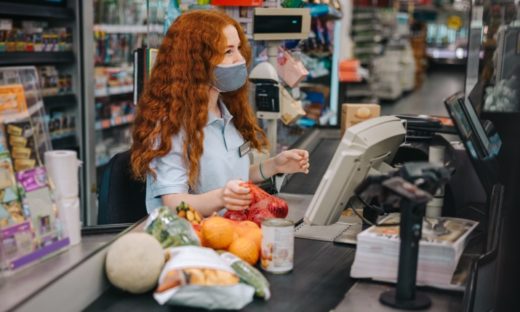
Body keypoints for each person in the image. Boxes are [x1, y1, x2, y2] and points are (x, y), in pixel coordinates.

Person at [130, 10, 310, 216]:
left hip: (231, 230)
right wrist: (222, 198)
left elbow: (231, 181)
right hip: (194, 239)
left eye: (239, 49)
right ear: (196, 62)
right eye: (228, 51)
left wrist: (274, 166)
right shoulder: (170, 126)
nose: (240, 59)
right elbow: (173, 203)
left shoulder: (227, 112)